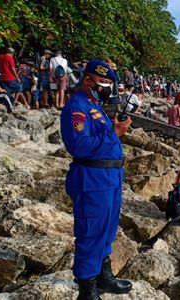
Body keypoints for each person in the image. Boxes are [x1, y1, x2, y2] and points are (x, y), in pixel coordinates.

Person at [60, 59, 133, 299]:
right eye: (103, 82)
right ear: (88, 79)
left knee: (107, 230)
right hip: (92, 180)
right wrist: (115, 133)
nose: (107, 87)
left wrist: (113, 128)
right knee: (91, 232)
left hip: (109, 178)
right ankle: (87, 287)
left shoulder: (94, 104)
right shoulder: (77, 107)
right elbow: (79, 146)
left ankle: (103, 277)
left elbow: (101, 136)